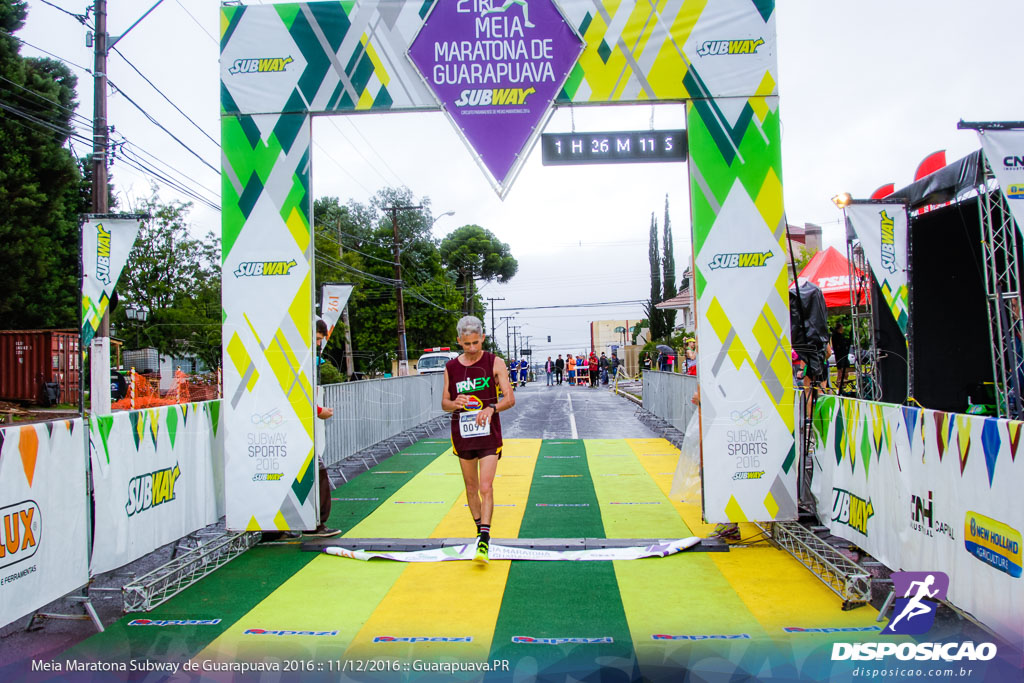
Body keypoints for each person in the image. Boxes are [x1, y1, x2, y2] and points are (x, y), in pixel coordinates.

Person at [442, 316, 515, 565]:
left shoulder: (495, 362)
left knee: (486, 487)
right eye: (467, 344)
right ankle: (478, 530)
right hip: (463, 434)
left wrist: (492, 408)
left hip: (488, 433)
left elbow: (510, 398)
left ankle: (484, 539)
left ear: (483, 338)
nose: (472, 349)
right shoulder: (451, 367)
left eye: (476, 343)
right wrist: (456, 403)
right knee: (471, 488)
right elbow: (445, 403)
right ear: (459, 341)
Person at [832, 322, 851, 395]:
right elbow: (840, 345)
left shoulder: (840, 336)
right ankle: (839, 385)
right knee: (841, 371)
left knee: (845, 371)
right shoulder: (836, 336)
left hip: (844, 356)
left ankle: (844, 384)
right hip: (840, 356)